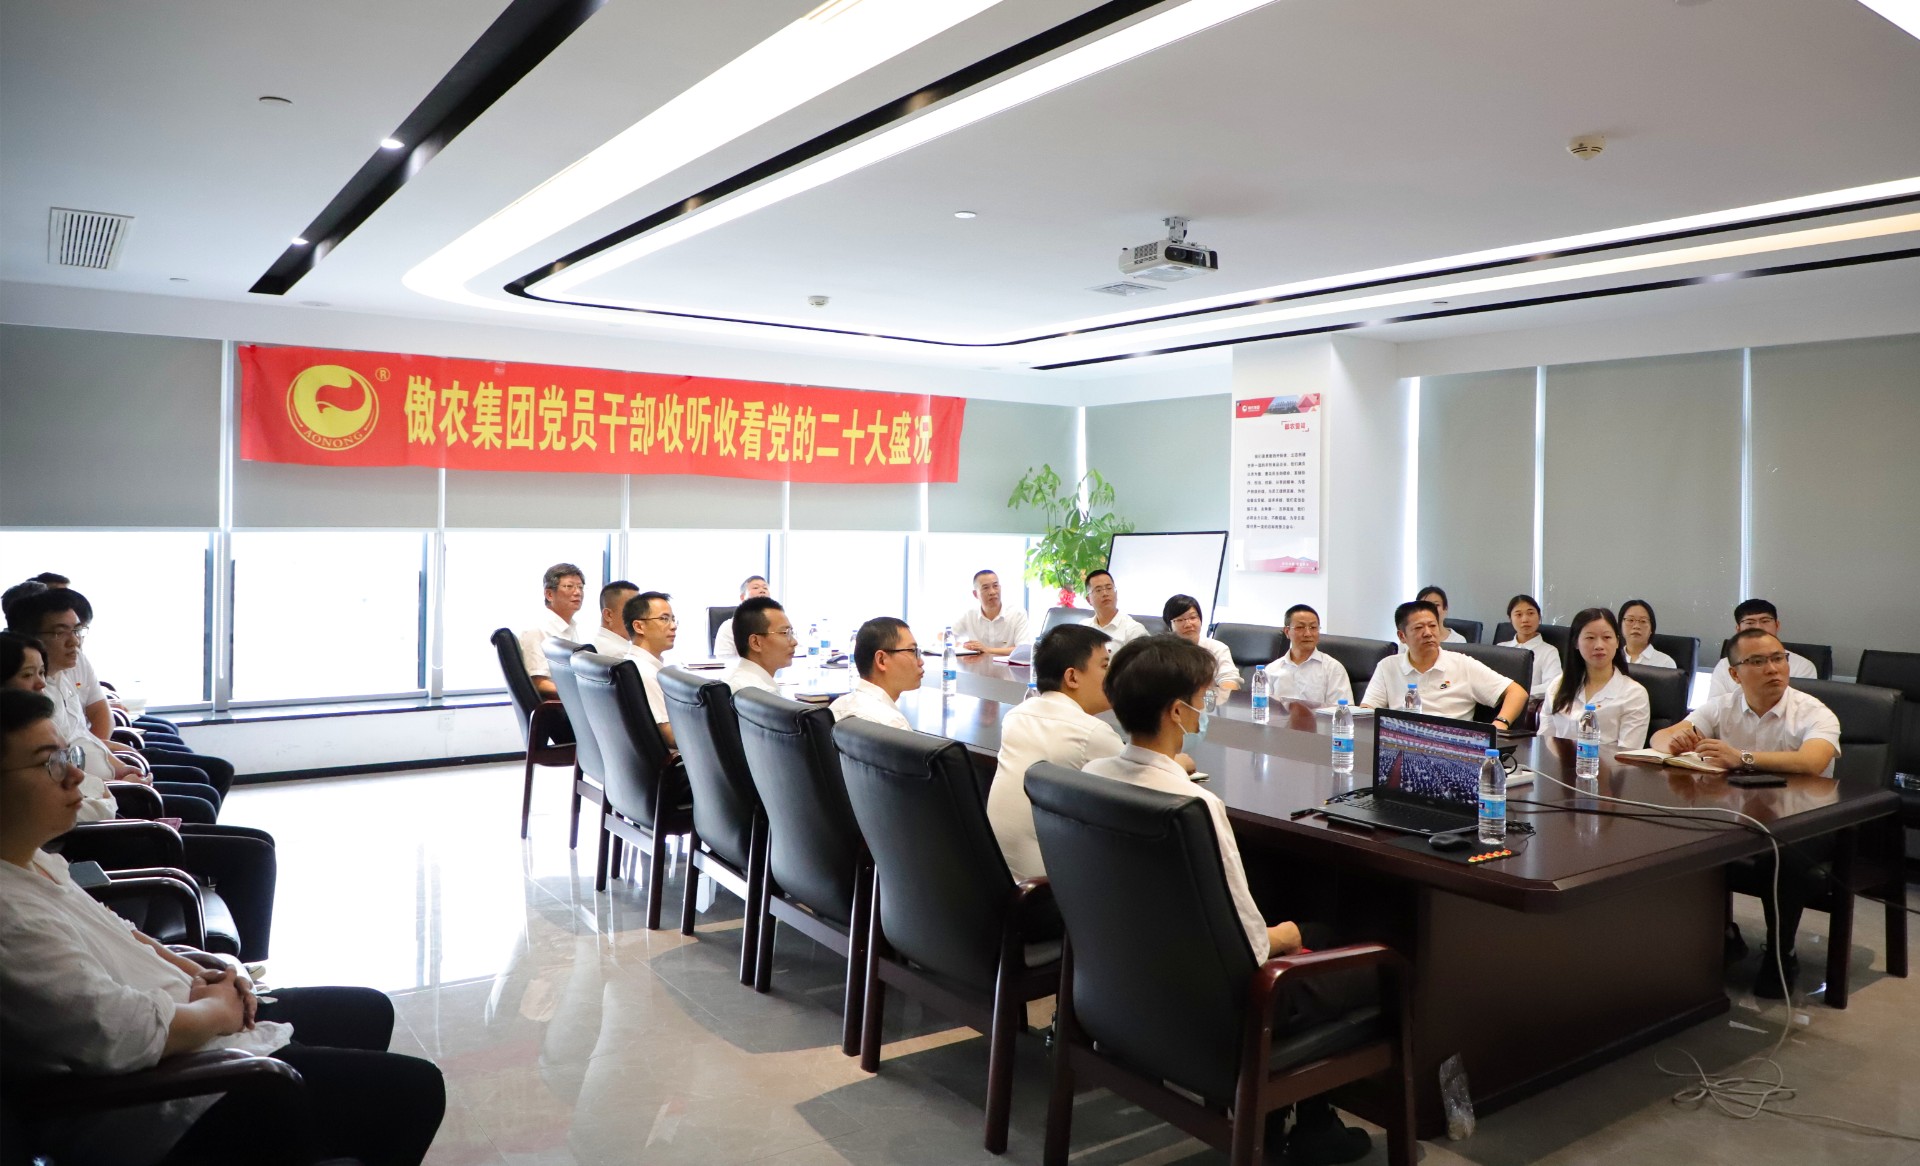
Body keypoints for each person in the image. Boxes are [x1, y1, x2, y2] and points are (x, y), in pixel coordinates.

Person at [0, 689, 446, 1166]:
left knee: (368, 1011)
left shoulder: (33, 859)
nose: (75, 775)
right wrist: (217, 1011)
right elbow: (120, 1035)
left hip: (192, 1018)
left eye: (67, 757)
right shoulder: (11, 919)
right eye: (49, 764)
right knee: (414, 1089)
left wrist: (199, 964)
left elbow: (119, 930)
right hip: (172, 1102)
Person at [1082, 636, 1373, 1165]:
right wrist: (1287, 935)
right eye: (1203, 698)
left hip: (1122, 985)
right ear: (1177, 711)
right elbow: (1249, 947)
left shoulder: (1092, 776)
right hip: (1218, 1009)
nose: (1208, 707)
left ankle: (1294, 1120)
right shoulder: (1194, 804)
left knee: (1297, 920)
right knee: (1352, 949)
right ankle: (1304, 1120)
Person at [2, 632, 279, 960]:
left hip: (102, 815)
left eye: (41, 673)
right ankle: (246, 965)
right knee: (252, 853)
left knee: (254, 838)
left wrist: (113, 777)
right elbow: (90, 802)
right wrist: (106, 791)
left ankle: (242, 968)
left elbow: (87, 747)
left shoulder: (44, 717)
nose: (40, 682)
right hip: (86, 839)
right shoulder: (21, 749)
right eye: (27, 675)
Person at [1650, 627, 1841, 998]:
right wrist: (1674, 741)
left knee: (1781, 855)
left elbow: (1813, 761)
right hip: (1740, 819)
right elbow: (1661, 737)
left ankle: (1782, 953)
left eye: (1778, 658)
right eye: (1757, 661)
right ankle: (1717, 936)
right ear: (1735, 673)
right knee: (1680, 836)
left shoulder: (1812, 711)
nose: (1772, 668)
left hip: (1806, 823)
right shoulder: (1722, 706)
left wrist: (1742, 758)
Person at [6, 592, 226, 819]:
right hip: (93, 799)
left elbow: (88, 731)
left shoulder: (63, 675)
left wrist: (120, 767)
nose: (75, 641)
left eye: (77, 630)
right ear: (31, 637)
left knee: (210, 780)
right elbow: (58, 781)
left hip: (107, 785)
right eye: (60, 632)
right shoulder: (32, 702)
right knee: (201, 804)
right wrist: (115, 784)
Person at [987, 625, 1126, 880]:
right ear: (1072, 677)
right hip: (1047, 887)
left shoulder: (1016, 715)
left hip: (999, 876)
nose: (1113, 676)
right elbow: (1144, 784)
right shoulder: (1092, 733)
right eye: (1105, 666)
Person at [1362, 600, 1527, 728]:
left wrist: (1500, 724)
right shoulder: (1388, 666)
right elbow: (1367, 711)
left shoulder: (1462, 664)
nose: (1428, 633)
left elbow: (1517, 693)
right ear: (1402, 636)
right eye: (1419, 628)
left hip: (1452, 747)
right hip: (1403, 745)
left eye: (1432, 626)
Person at [1540, 608, 1650, 748]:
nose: (1599, 646)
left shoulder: (1634, 694)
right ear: (1576, 643)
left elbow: (1627, 755)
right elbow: (1543, 742)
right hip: (1556, 762)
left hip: (1608, 763)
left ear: (1617, 642)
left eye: (1607, 637)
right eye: (1590, 638)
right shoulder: (1557, 686)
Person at [1706, 599, 1818, 698]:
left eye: (1765, 621)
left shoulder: (1802, 666)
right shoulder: (1725, 665)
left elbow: (1802, 708)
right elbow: (1714, 708)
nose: (1758, 627)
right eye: (1750, 622)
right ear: (1738, 629)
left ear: (1777, 625)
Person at [829, 617, 921, 730]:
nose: (921, 662)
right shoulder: (893, 724)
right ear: (881, 660)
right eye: (912, 651)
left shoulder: (835, 708)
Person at [621, 591, 679, 749]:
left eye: (673, 619)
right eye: (664, 619)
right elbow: (669, 736)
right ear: (639, 626)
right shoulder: (645, 673)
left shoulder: (633, 663)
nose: (673, 626)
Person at [1264, 604, 1352, 708]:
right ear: (1287, 632)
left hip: (1320, 719)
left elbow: (1343, 711)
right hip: (1280, 719)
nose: (1308, 634)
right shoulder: (1272, 669)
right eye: (1300, 627)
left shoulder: (1333, 669)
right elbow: (1264, 707)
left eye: (1313, 627)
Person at [520, 562, 586, 699]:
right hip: (557, 705)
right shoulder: (537, 629)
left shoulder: (570, 627)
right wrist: (582, 694)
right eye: (569, 587)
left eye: (580, 587)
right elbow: (538, 683)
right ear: (549, 594)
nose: (577, 592)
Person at [1163, 594, 1240, 692]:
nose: (1188, 624)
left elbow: (1229, 680)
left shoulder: (1217, 648)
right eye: (1180, 620)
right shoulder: (1162, 651)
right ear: (1169, 625)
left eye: (1193, 617)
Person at [1496, 594, 1562, 699]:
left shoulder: (1549, 651)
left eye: (1530, 613)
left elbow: (1553, 685)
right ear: (1510, 619)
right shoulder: (1500, 648)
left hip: (1531, 704)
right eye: (1518, 614)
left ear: (1539, 617)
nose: (1525, 619)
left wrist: (1516, 693)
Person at [951, 569, 1029, 657]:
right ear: (975, 594)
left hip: (1008, 666)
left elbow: (1023, 650)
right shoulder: (969, 615)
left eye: (995, 586)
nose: (992, 592)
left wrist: (987, 649)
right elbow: (944, 636)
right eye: (985, 588)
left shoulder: (1017, 613)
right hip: (978, 666)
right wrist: (962, 646)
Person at [725, 597, 794, 695]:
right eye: (784, 633)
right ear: (755, 642)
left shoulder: (730, 680)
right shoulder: (766, 694)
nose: (794, 642)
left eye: (791, 633)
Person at [713, 575, 770, 663]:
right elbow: (724, 659)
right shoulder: (730, 626)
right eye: (756, 587)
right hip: (741, 670)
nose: (762, 590)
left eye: (765, 588)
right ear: (742, 597)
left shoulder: (776, 623)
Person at [1084, 570, 1145, 648]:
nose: (1105, 593)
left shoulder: (1134, 630)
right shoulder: (1084, 627)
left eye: (1109, 588)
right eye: (1098, 590)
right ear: (1089, 600)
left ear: (1116, 593)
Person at [587, 580, 640, 659]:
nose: (639, 616)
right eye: (632, 610)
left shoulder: (596, 643)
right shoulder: (622, 655)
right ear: (608, 615)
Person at [1617, 599, 1677, 669]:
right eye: (1630, 620)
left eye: (1643, 621)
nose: (1636, 626)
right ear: (1620, 626)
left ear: (1651, 629)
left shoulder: (1665, 663)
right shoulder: (1612, 658)